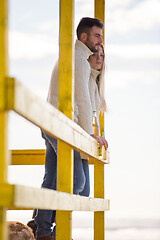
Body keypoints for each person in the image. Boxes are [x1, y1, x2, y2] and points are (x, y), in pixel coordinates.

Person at [29, 17, 108, 240]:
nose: (100, 41)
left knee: (55, 180)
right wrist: (89, 135)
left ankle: (41, 227)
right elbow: (82, 102)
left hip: (59, 126)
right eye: (97, 35)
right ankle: (49, 231)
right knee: (77, 183)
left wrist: (95, 135)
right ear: (84, 37)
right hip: (61, 127)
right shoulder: (78, 59)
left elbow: (88, 107)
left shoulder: (80, 60)